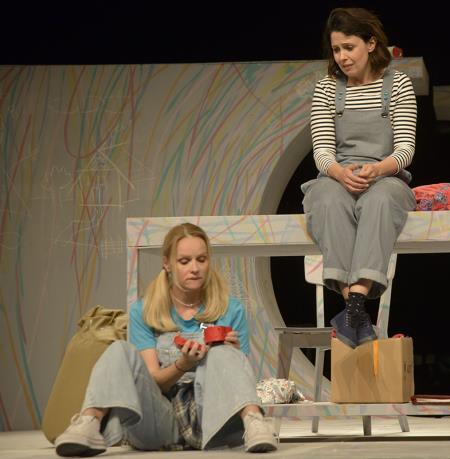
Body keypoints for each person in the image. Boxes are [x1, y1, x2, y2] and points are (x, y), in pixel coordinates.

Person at [54, 223, 278, 456]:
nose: (195, 268)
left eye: (201, 260)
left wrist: (234, 353)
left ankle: (255, 422)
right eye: (184, 261)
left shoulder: (231, 309)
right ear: (167, 264)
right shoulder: (144, 311)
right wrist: (183, 365)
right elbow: (155, 382)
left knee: (224, 352)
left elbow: (239, 384)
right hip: (158, 420)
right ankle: (89, 422)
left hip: (209, 419)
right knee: (119, 349)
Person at [302, 7, 417, 348]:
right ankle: (356, 310)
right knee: (325, 200)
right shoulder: (326, 88)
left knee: (380, 200)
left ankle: (354, 303)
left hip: (384, 175)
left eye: (349, 47)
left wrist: (378, 169)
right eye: (336, 49)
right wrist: (339, 173)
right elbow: (322, 151)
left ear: (371, 43)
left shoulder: (398, 84)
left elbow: (405, 149)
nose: (342, 57)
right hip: (338, 175)